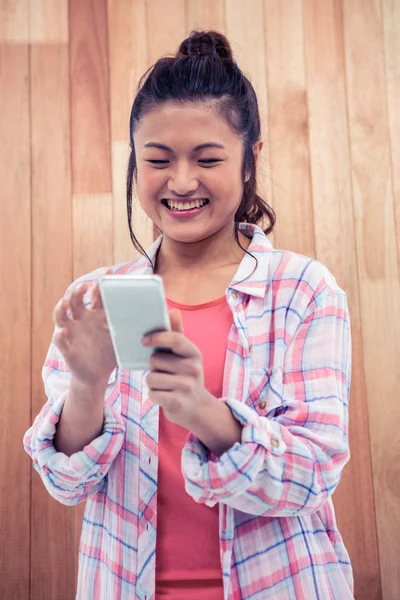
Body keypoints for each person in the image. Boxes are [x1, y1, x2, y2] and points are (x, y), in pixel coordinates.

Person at [24, 30, 353, 600]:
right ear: (136, 165)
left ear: (251, 160)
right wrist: (86, 383)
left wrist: (203, 411)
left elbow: (313, 474)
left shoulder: (302, 290)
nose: (180, 182)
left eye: (207, 159)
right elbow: (67, 483)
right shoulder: (98, 299)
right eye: (157, 160)